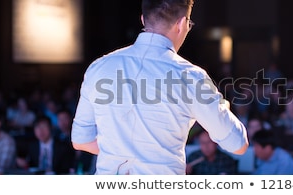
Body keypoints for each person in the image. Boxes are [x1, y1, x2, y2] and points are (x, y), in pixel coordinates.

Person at [71, 0, 248, 175]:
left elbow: (81, 141)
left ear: (143, 20)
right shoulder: (191, 77)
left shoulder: (99, 67)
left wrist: (122, 150)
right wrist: (222, 107)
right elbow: (238, 144)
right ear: (181, 24)